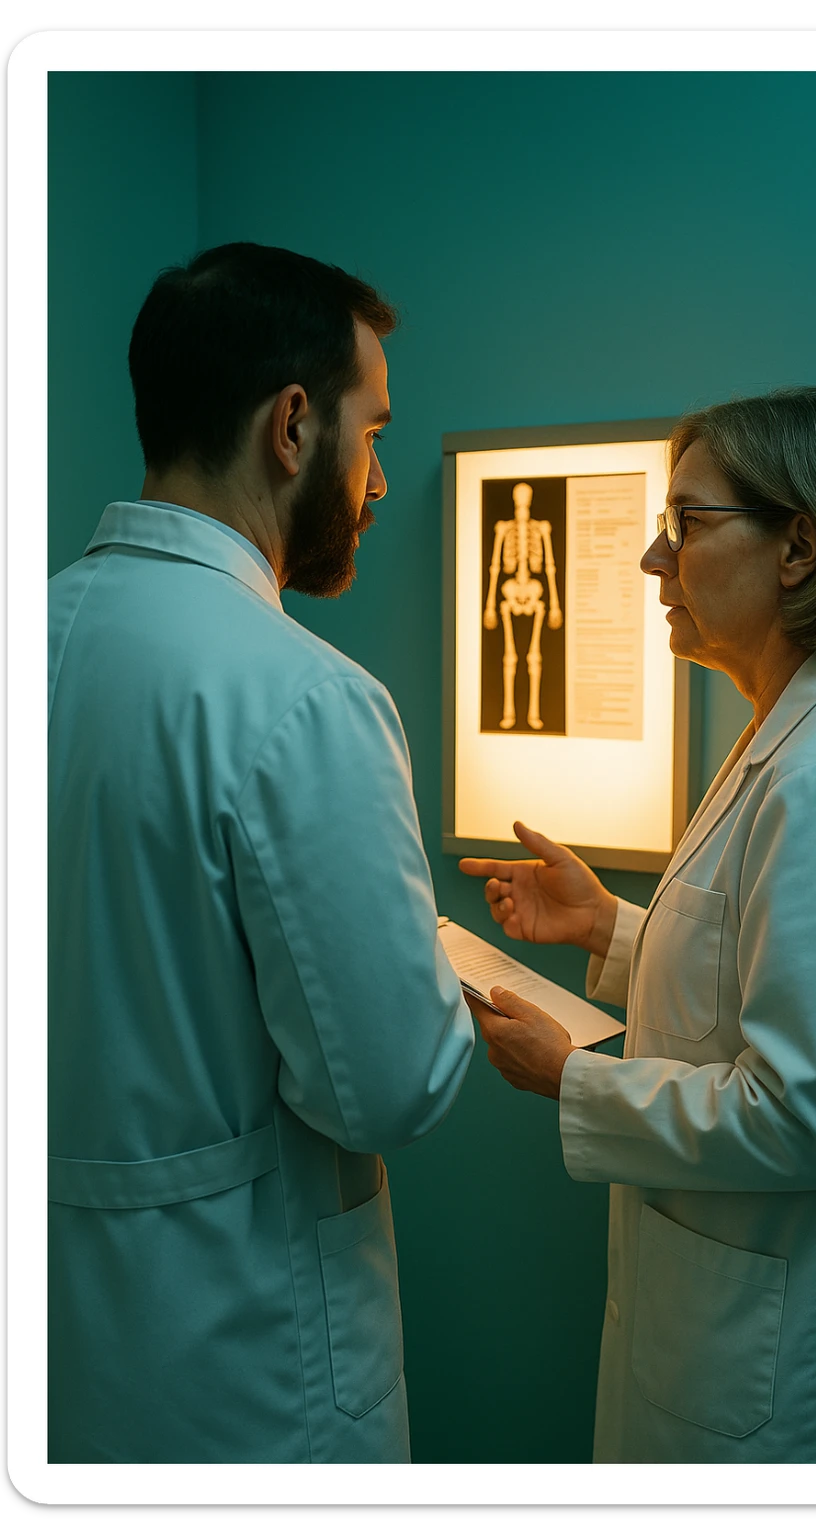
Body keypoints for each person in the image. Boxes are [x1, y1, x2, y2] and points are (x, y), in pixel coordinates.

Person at [460, 386, 816, 1464]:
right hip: (751, 1327)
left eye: (686, 524)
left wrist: (574, 1077)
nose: (653, 560)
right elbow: (787, 980)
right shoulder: (803, 729)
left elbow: (803, 1115)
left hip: (793, 1373)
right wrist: (613, 932)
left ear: (799, 548)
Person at [47, 242, 475, 1464]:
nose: (379, 478)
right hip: (246, 1370)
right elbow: (387, 1083)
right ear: (293, 426)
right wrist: (434, 977)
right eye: (373, 430)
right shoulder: (301, 698)